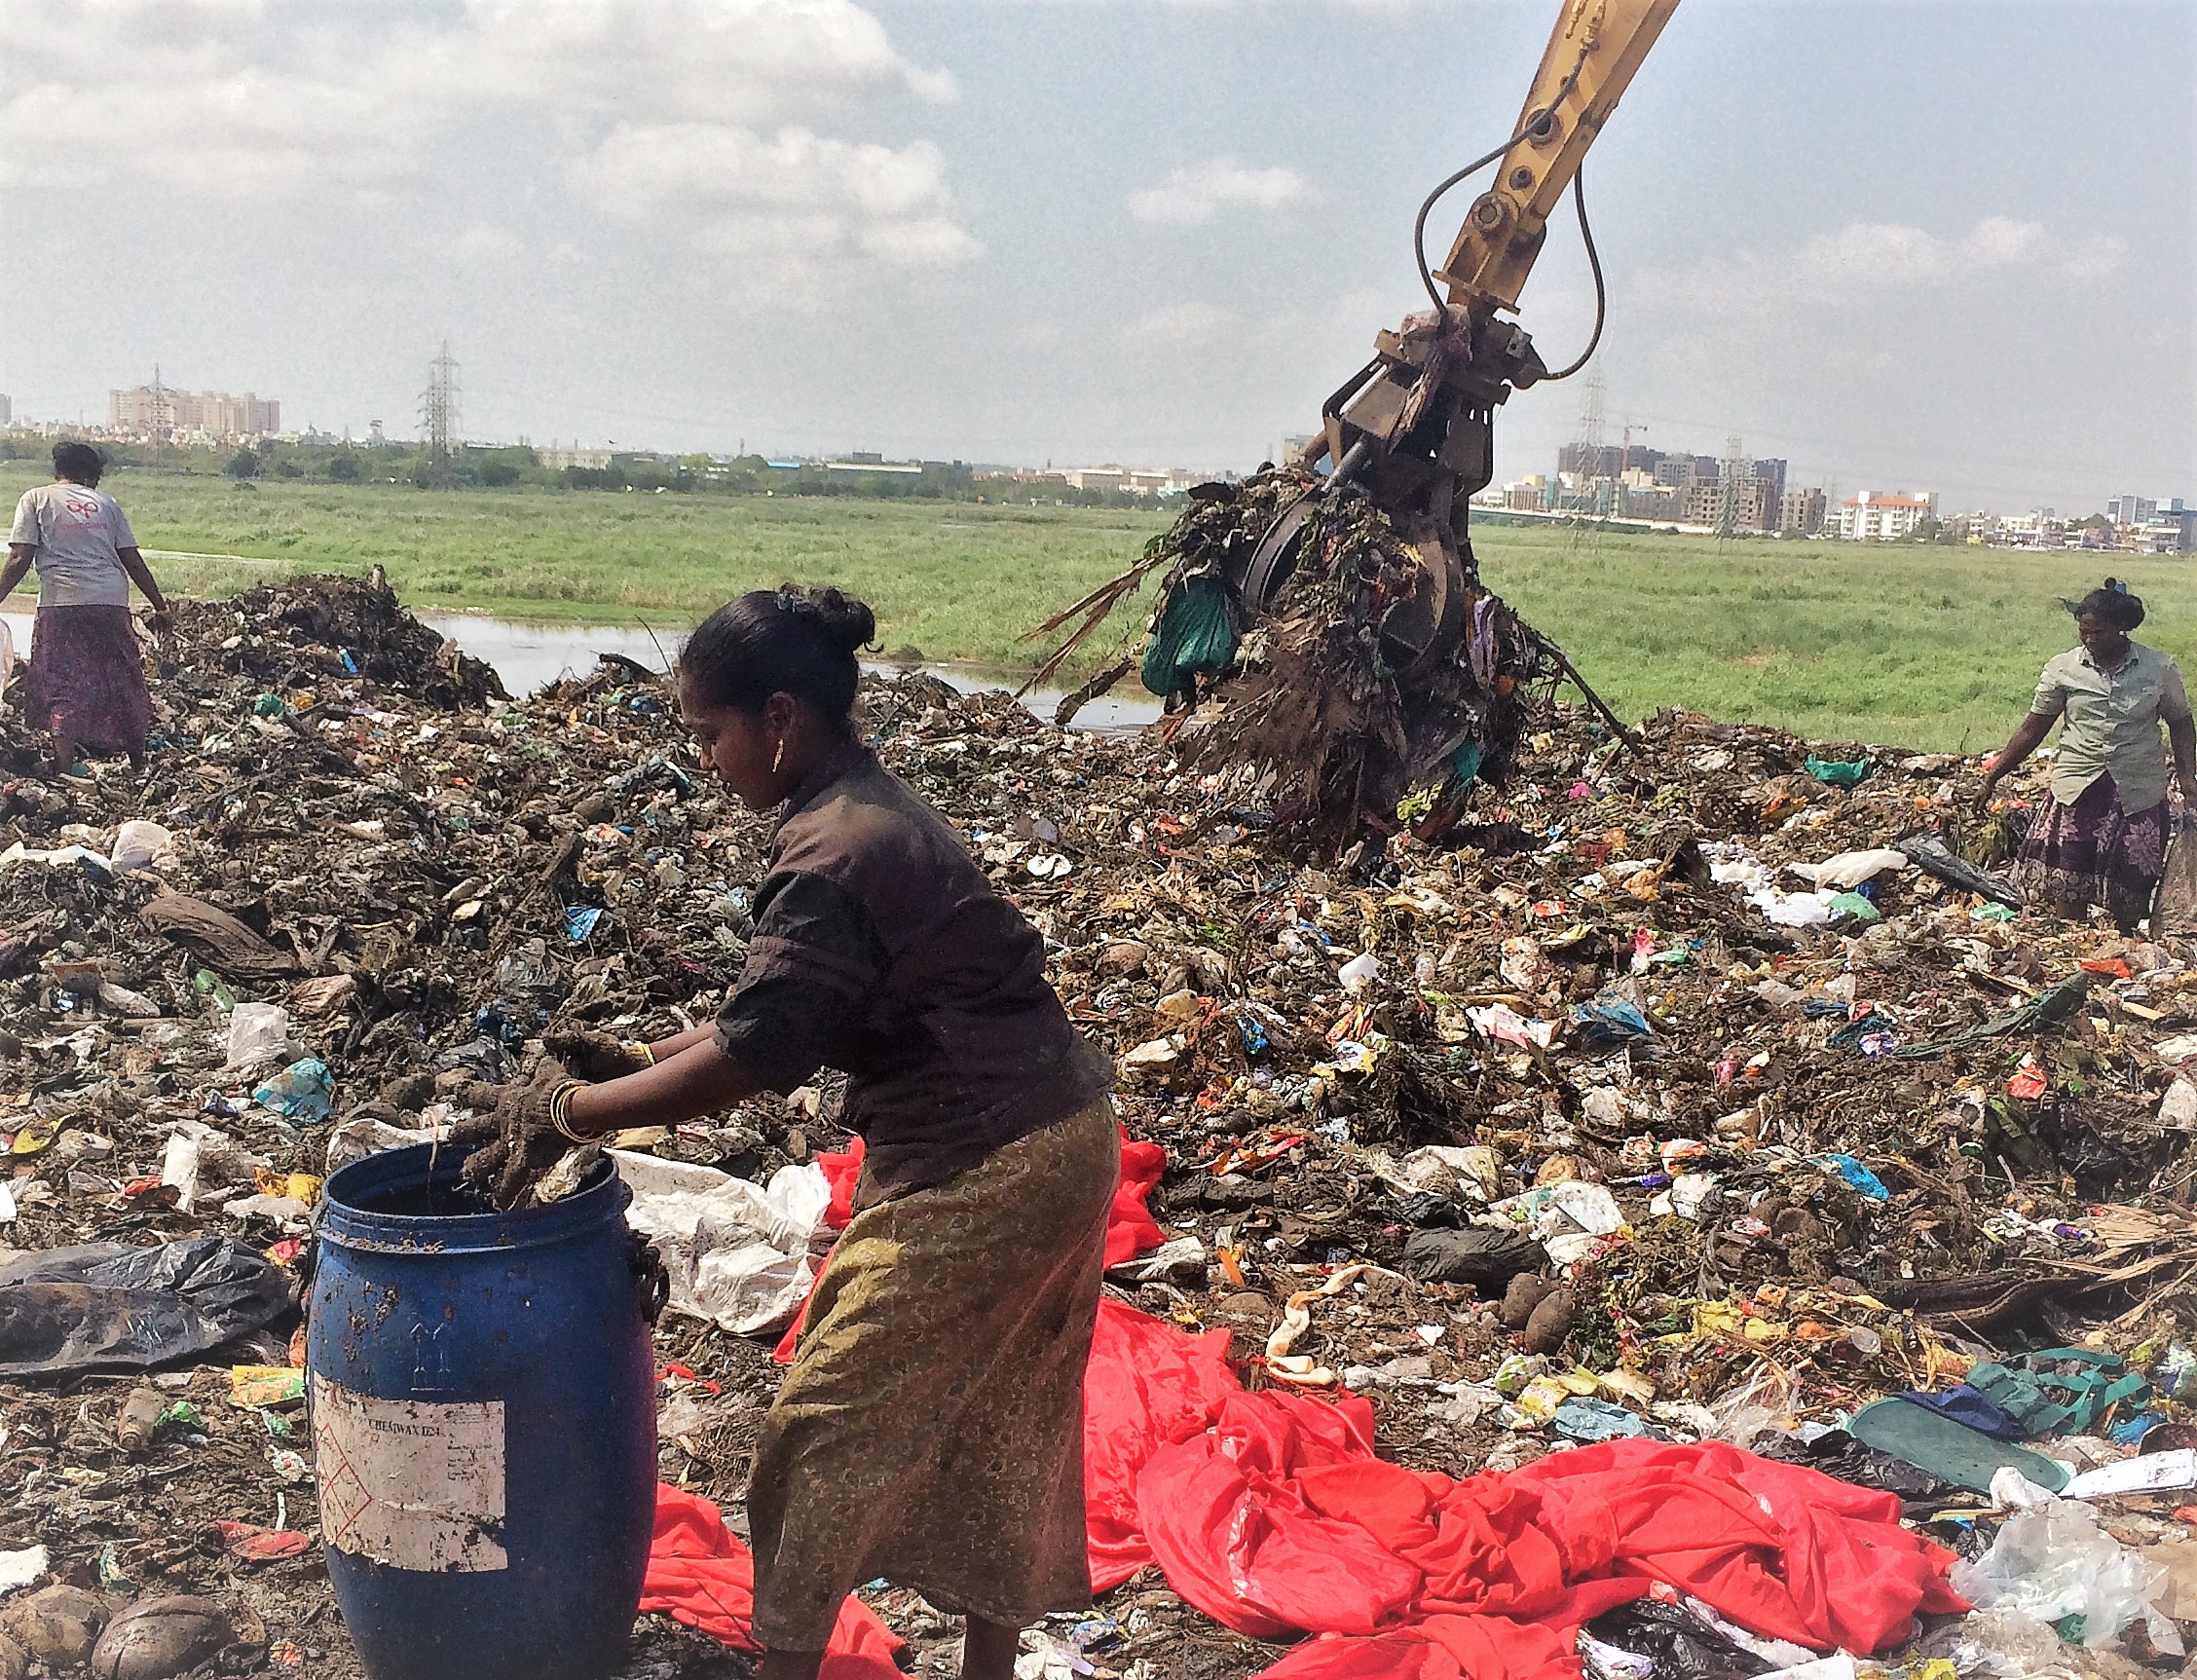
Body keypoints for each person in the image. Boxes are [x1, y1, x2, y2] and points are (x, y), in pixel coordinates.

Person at [458, 586, 1118, 1680]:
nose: (705, 758)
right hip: (1055, 1138)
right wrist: (639, 1063)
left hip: (993, 1166)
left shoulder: (835, 852)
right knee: (1007, 1419)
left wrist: (577, 1115)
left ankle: (786, 1665)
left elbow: (761, 1056)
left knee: (821, 1430)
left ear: (777, 717)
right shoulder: (857, 812)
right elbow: (767, 1014)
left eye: (709, 733)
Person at [1978, 579, 2197, 932]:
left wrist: (2188, 778)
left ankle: (2123, 940)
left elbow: (2182, 724)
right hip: (2078, 785)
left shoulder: (2159, 669)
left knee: (2132, 879)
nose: (2088, 639)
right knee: (2070, 880)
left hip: (2137, 788)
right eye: (2083, 632)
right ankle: (2075, 942)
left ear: (2121, 629)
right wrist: (1994, 774)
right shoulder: (2063, 669)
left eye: (2097, 632)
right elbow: (2033, 728)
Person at [2, 441, 169, 776]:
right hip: (110, 602)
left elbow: (20, 557)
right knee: (121, 676)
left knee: (60, 679)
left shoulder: (36, 498)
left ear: (57, 470)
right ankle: (138, 761)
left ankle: (63, 764)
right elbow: (131, 559)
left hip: (61, 605)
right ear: (92, 474)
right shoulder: (107, 503)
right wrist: (160, 606)